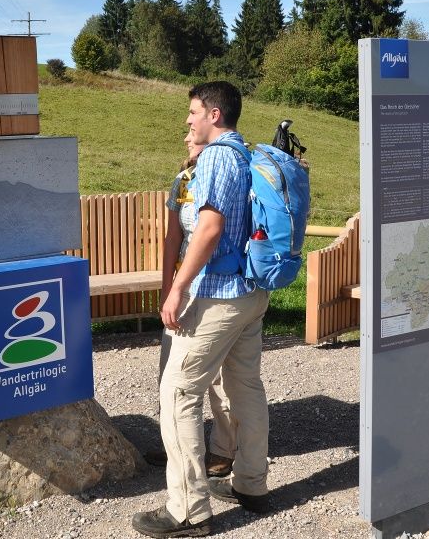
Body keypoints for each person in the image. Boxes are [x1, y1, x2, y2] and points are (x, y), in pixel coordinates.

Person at [132, 82, 271, 539]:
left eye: (193, 112)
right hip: (251, 292)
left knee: (177, 392)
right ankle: (251, 485)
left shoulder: (214, 157)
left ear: (214, 114)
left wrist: (176, 288)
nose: (188, 120)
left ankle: (189, 511)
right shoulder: (246, 155)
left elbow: (208, 229)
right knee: (245, 386)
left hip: (219, 293)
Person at [145, 133, 235, 479]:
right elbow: (173, 237)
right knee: (171, 368)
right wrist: (169, 286)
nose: (186, 138)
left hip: (221, 288)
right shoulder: (182, 181)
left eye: (192, 132)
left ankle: (223, 451)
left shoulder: (228, 173)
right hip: (186, 290)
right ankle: (178, 446)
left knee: (220, 377)